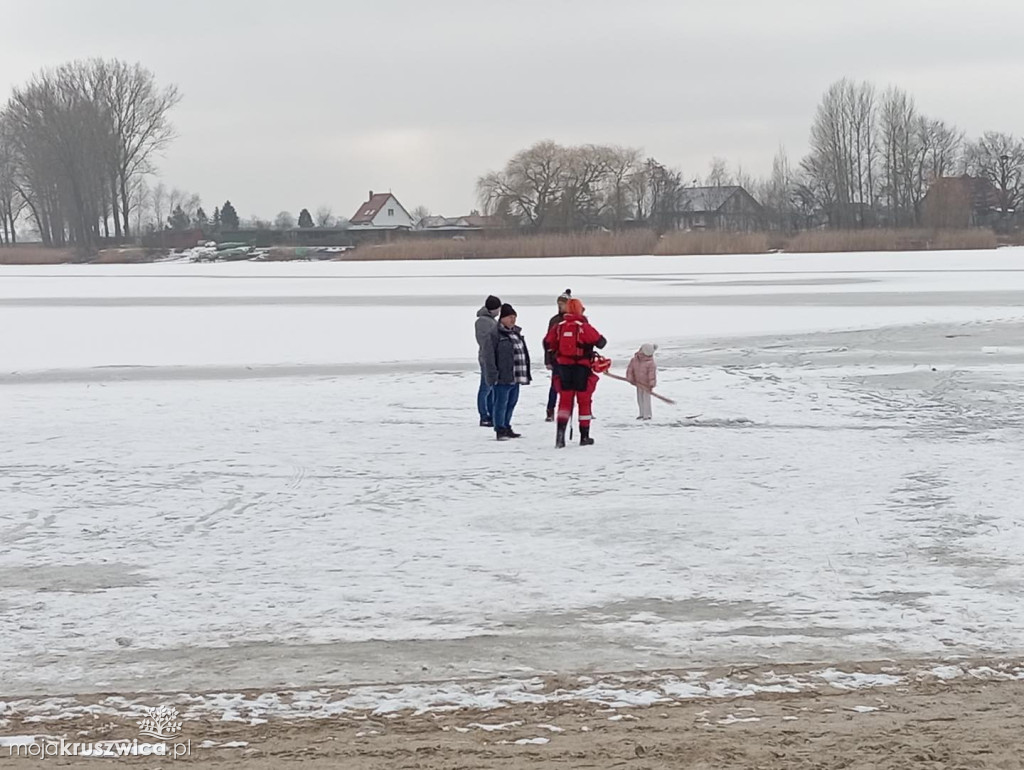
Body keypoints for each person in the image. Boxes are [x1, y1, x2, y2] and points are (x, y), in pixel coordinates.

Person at [543, 297, 606, 448]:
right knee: (584, 402)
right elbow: (601, 342)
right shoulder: (583, 326)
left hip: (564, 369)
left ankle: (560, 437)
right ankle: (584, 436)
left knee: (565, 402)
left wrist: (554, 353)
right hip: (582, 369)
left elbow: (547, 342)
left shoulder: (559, 326)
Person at [482, 303, 532, 441]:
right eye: (510, 317)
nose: (513, 320)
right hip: (502, 376)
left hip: (516, 376)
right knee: (500, 403)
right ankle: (500, 429)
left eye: (514, 317)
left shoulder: (516, 333)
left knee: (511, 402)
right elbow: (489, 356)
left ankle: (506, 425)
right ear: (502, 318)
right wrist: (493, 375)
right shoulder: (494, 334)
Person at [542, 289, 572, 422]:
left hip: (572, 359)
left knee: (573, 385)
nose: (560, 307)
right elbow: (547, 341)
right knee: (555, 385)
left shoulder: (576, 320)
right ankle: (550, 410)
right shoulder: (554, 320)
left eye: (563, 304)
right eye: (559, 304)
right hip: (557, 359)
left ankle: (569, 409)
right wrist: (548, 360)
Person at [474, 295, 502, 427]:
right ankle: (484, 415)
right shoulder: (484, 322)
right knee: (485, 387)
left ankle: (490, 414)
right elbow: (485, 341)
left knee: (491, 387)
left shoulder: (490, 321)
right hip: (487, 358)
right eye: (498, 309)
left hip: (492, 358)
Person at [626, 343, 658, 420]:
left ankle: (647, 415)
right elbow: (630, 369)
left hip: (646, 384)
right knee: (640, 398)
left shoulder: (650, 363)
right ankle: (642, 413)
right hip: (638, 383)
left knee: (646, 399)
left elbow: (652, 375)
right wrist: (630, 378)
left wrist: (651, 383)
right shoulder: (635, 360)